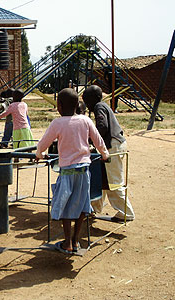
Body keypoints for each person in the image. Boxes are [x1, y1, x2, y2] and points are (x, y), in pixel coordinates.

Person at [36, 88, 109, 254]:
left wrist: (39, 154)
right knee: (83, 203)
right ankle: (76, 241)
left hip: (68, 171)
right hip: (84, 170)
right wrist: (105, 154)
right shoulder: (85, 120)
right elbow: (98, 140)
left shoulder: (58, 123)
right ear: (78, 105)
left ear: (58, 106)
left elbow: (44, 142)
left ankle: (67, 242)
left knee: (66, 204)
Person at [82, 85, 135, 222]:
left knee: (113, 182)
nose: (87, 105)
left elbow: (103, 127)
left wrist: (90, 139)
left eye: (87, 101)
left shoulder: (99, 107)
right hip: (113, 145)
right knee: (101, 180)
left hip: (113, 147)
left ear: (94, 99)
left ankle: (126, 213)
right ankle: (93, 209)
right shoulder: (103, 106)